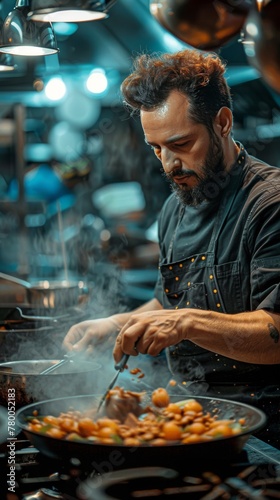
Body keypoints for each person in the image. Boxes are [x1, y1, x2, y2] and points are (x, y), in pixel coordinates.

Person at [63, 49, 280, 448]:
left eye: (180, 144)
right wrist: (115, 324)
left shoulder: (269, 205)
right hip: (191, 420)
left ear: (223, 122)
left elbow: (275, 331)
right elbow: (170, 301)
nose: (168, 164)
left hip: (266, 433)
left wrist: (185, 324)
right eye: (156, 148)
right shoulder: (175, 209)